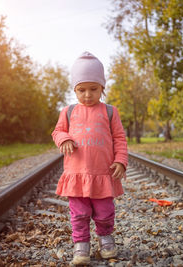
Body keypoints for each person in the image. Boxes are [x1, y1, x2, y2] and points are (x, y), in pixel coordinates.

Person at [52, 51, 128, 265]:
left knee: (104, 212)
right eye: (81, 89)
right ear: (74, 89)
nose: (87, 94)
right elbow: (57, 131)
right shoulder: (68, 111)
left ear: (102, 88)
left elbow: (120, 138)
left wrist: (121, 160)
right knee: (79, 213)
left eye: (93, 89)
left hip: (103, 174)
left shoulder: (110, 111)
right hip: (76, 175)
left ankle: (105, 238)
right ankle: (81, 245)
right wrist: (64, 138)